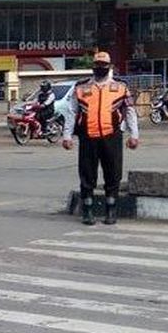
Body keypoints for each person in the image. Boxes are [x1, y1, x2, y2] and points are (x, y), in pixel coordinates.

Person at [62, 51, 139, 226]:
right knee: (87, 174)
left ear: (109, 67)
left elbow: (130, 112)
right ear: (93, 66)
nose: (100, 68)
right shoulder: (81, 87)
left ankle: (111, 210)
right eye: (97, 65)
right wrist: (67, 135)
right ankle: (87, 211)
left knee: (113, 174)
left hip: (112, 137)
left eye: (103, 65)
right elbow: (71, 112)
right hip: (88, 137)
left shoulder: (120, 87)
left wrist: (134, 135)